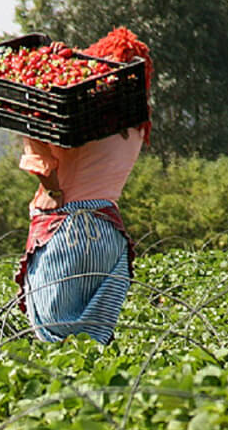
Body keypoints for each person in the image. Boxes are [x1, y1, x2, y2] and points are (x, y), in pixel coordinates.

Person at [13, 27, 150, 344]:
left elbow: (34, 129)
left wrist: (49, 66)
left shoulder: (82, 117)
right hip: (107, 235)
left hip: (66, 232)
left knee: (54, 339)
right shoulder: (137, 126)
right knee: (93, 343)